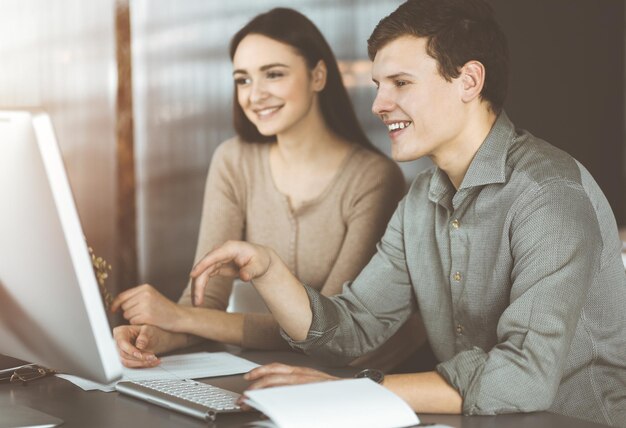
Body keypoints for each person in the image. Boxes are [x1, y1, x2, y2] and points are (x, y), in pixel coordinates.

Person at [189, 0, 626, 426]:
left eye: (400, 82)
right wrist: (268, 269)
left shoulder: (548, 195)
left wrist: (348, 391)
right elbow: (352, 329)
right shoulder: (421, 200)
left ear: (469, 81)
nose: (379, 103)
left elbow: (523, 377)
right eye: (379, 84)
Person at [110, 7, 424, 372]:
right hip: (255, 373)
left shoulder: (374, 178)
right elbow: (206, 301)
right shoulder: (233, 161)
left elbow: (329, 328)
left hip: (336, 380)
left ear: (318, 76)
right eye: (242, 80)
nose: (255, 94)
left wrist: (179, 318)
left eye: (273, 75)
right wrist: (154, 334)